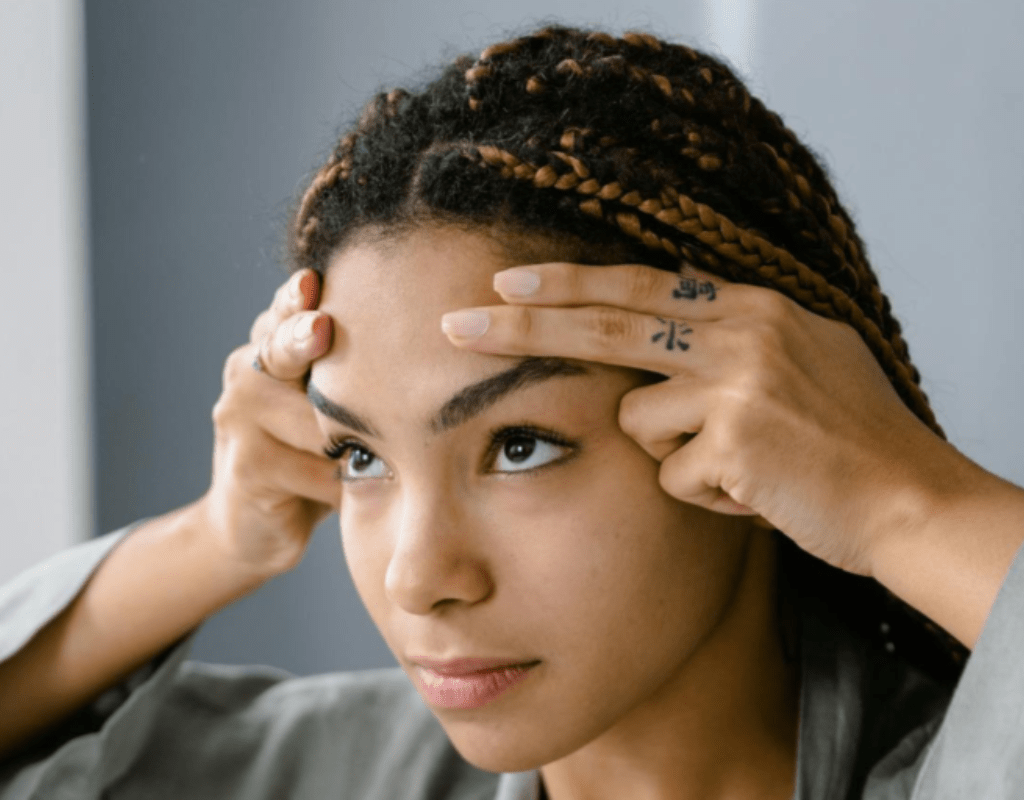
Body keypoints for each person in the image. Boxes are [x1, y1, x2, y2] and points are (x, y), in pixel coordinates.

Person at [2, 23, 1024, 800]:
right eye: (360, 455)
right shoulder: (332, 773)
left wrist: (903, 502)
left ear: (745, 438)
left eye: (520, 443)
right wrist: (215, 537)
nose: (418, 577)